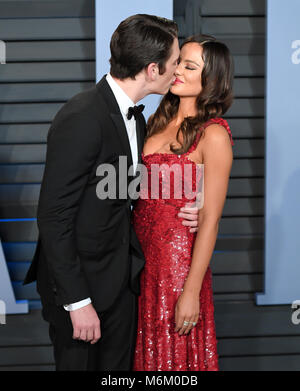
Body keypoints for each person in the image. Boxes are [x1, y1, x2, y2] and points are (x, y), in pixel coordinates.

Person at [23, 14, 198, 371]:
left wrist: (192, 207)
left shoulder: (136, 118)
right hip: (80, 290)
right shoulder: (83, 116)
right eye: (175, 60)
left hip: (120, 284)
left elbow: (117, 190)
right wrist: (77, 301)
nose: (177, 68)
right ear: (152, 69)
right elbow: (53, 217)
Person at [132, 34, 234, 371]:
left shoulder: (214, 134)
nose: (177, 71)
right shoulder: (154, 123)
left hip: (178, 272)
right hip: (140, 265)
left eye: (190, 66)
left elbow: (210, 221)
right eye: (178, 62)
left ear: (212, 80)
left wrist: (191, 292)